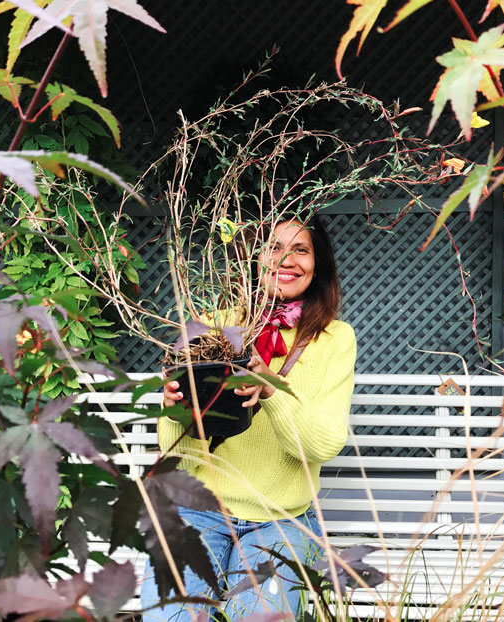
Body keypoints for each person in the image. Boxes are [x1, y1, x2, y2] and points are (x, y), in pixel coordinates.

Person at [141, 215, 357, 622]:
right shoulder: (216, 324)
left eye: (301, 249)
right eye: (274, 247)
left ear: (318, 263)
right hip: (196, 512)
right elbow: (174, 446)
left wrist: (272, 389)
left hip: (283, 518)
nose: (286, 259)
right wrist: (174, 404)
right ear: (254, 259)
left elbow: (324, 444)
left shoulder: (335, 337)